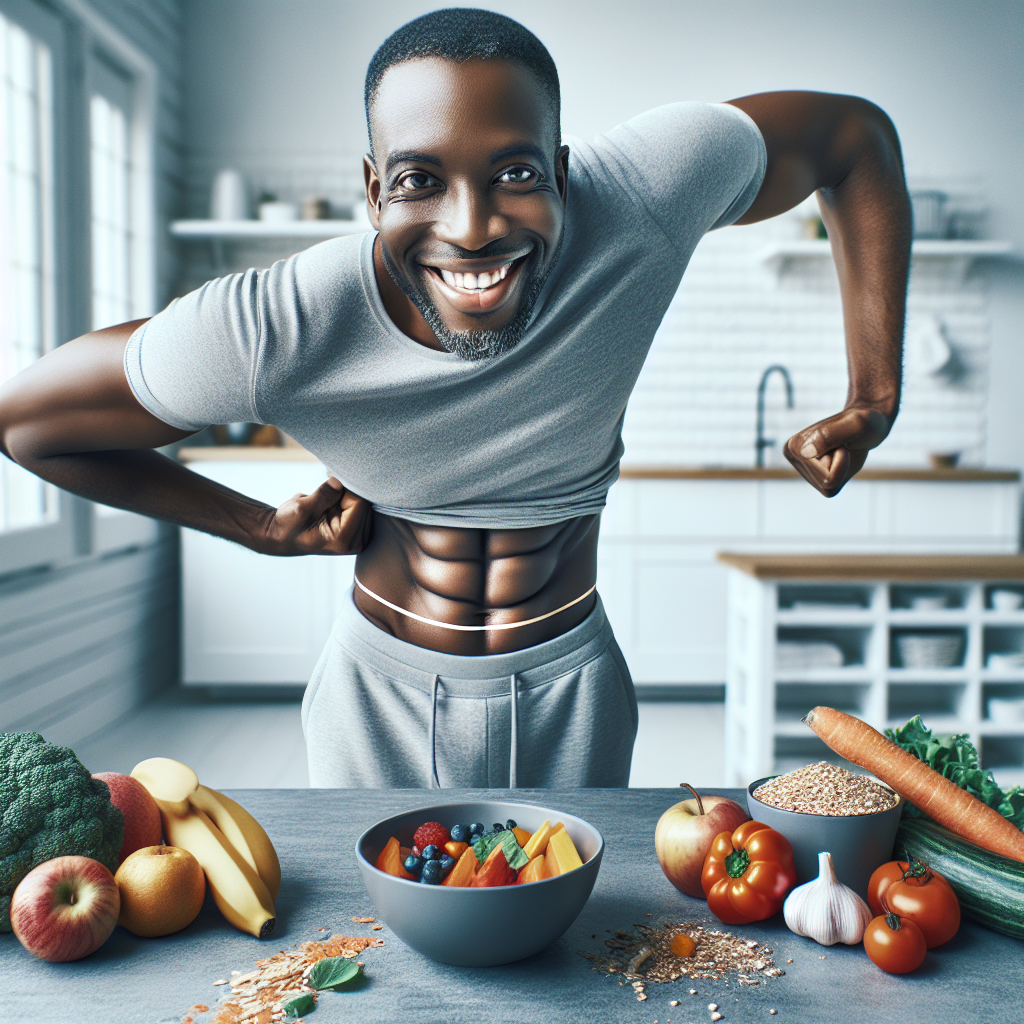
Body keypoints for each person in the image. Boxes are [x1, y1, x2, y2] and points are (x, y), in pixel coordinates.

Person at [0, 9, 908, 788]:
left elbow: (854, 140)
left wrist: (873, 395)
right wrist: (257, 528)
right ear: (371, 191)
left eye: (514, 174)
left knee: (572, 970)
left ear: (559, 168)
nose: (471, 229)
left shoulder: (644, 192)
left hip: (573, 684)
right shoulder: (285, 321)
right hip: (376, 701)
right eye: (418, 180)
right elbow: (29, 425)